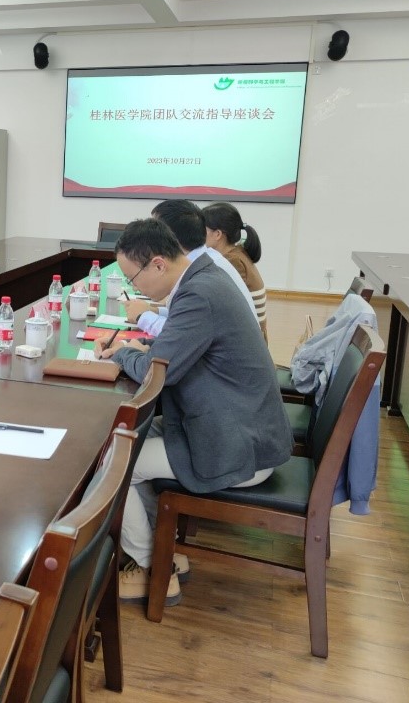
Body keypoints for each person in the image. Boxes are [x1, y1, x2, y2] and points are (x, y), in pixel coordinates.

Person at [94, 219, 292, 604]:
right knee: (127, 441)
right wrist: (136, 353)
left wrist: (121, 355)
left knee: (112, 465)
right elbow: (168, 355)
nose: (135, 289)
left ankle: (153, 568)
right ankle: (160, 551)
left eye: (133, 279)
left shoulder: (199, 294)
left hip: (237, 444)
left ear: (158, 264)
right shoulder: (204, 278)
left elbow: (158, 371)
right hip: (234, 425)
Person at [121, 200, 256, 335]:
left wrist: (143, 317)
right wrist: (154, 311)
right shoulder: (204, 259)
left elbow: (180, 334)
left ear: (170, 238)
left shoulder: (202, 275)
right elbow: (187, 317)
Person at [202, 201, 268, 337]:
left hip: (247, 336)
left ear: (218, 234)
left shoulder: (231, 261)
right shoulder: (237, 252)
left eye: (203, 229)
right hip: (249, 332)